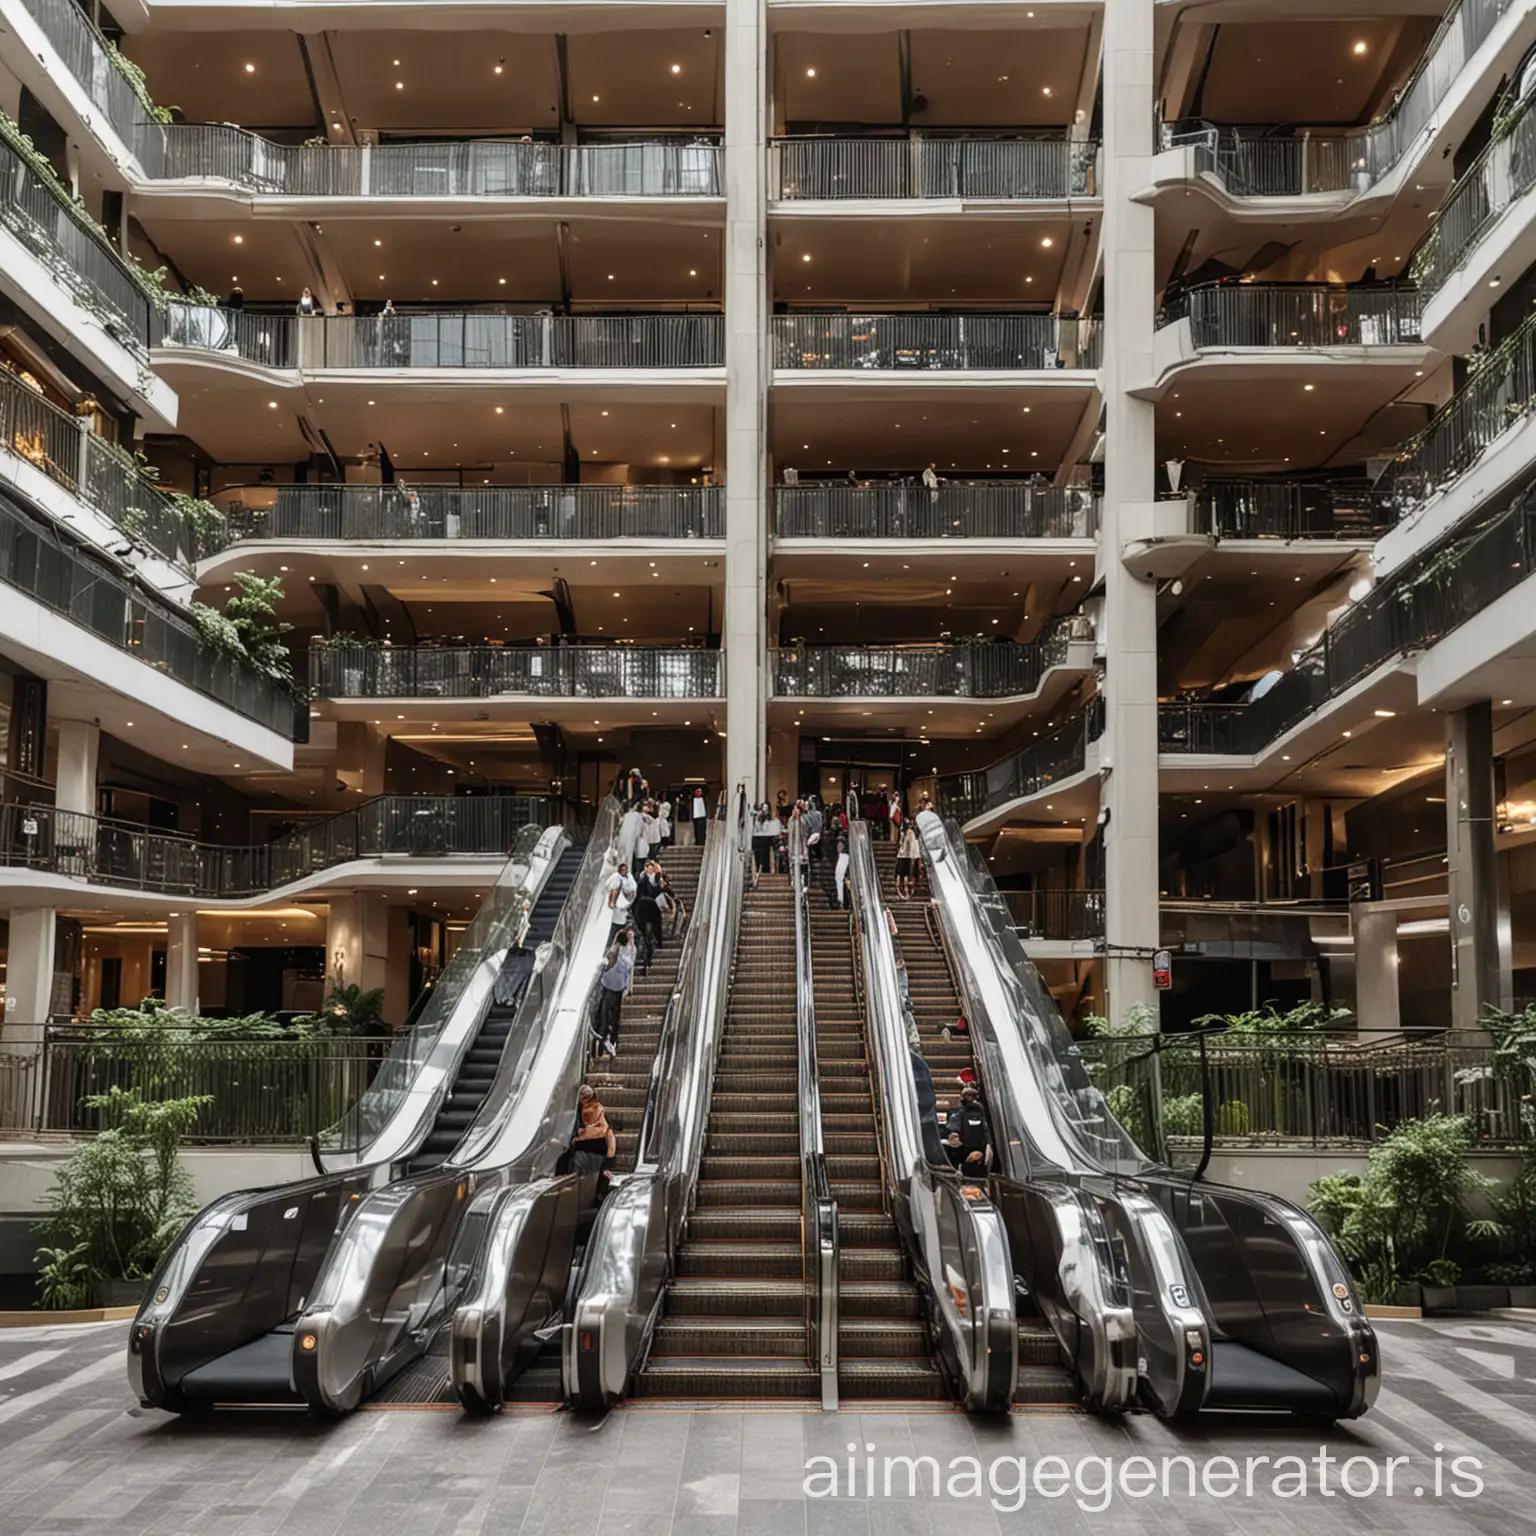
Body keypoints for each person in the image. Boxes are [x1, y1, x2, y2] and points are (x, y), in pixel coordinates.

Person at [569, 1083, 616, 1196]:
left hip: (587, 1152)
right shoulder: (599, 1113)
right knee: (588, 1183)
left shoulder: (579, 1114)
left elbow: (609, 1136)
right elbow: (609, 1136)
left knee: (581, 1183)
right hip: (593, 1152)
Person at [594, 930, 634, 1056]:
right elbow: (628, 968)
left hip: (609, 987)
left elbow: (604, 963)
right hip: (618, 988)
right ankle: (612, 1041)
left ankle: (603, 1043)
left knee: (605, 1016)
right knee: (614, 1016)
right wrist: (629, 986)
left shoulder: (613, 950)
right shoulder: (627, 952)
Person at [946, 1085, 992, 1171]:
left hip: (977, 1152)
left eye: (972, 1095)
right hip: (960, 1152)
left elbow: (985, 1131)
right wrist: (953, 1135)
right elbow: (952, 1127)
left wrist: (984, 1150)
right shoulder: (957, 1110)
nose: (970, 1098)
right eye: (967, 1095)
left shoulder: (978, 1110)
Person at [634, 860, 664, 972]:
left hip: (650, 910)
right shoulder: (642, 880)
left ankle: (648, 956)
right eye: (649, 868)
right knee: (648, 934)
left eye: (652, 868)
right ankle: (647, 960)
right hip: (646, 911)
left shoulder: (656, 878)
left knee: (649, 934)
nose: (651, 870)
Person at [606, 860, 636, 933]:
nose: (624, 871)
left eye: (625, 869)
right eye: (622, 870)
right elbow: (608, 885)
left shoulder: (629, 877)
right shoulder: (615, 877)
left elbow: (633, 888)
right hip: (617, 903)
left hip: (626, 898)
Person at [896, 818, 921, 900]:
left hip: (904, 855)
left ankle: (904, 893)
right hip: (911, 855)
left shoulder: (905, 833)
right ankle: (908, 893)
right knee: (909, 874)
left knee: (903, 873)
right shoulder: (912, 834)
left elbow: (900, 843)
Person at [657, 868, 687, 935]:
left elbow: (674, 899)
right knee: (677, 919)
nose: (661, 883)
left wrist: (675, 909)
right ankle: (675, 932)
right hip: (673, 904)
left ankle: (677, 932)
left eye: (662, 882)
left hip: (675, 904)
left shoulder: (667, 889)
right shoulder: (663, 890)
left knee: (678, 918)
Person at [751, 801, 777, 879]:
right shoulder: (758, 818)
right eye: (764, 808)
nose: (765, 810)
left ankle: (764, 871)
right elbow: (756, 828)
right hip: (758, 840)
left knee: (765, 858)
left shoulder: (769, 819)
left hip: (766, 841)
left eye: (767, 808)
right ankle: (758, 870)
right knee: (758, 857)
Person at [832, 836, 850, 909]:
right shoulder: (836, 858)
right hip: (838, 881)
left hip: (843, 881)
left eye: (840, 846)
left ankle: (842, 904)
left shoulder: (846, 857)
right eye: (838, 846)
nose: (839, 848)